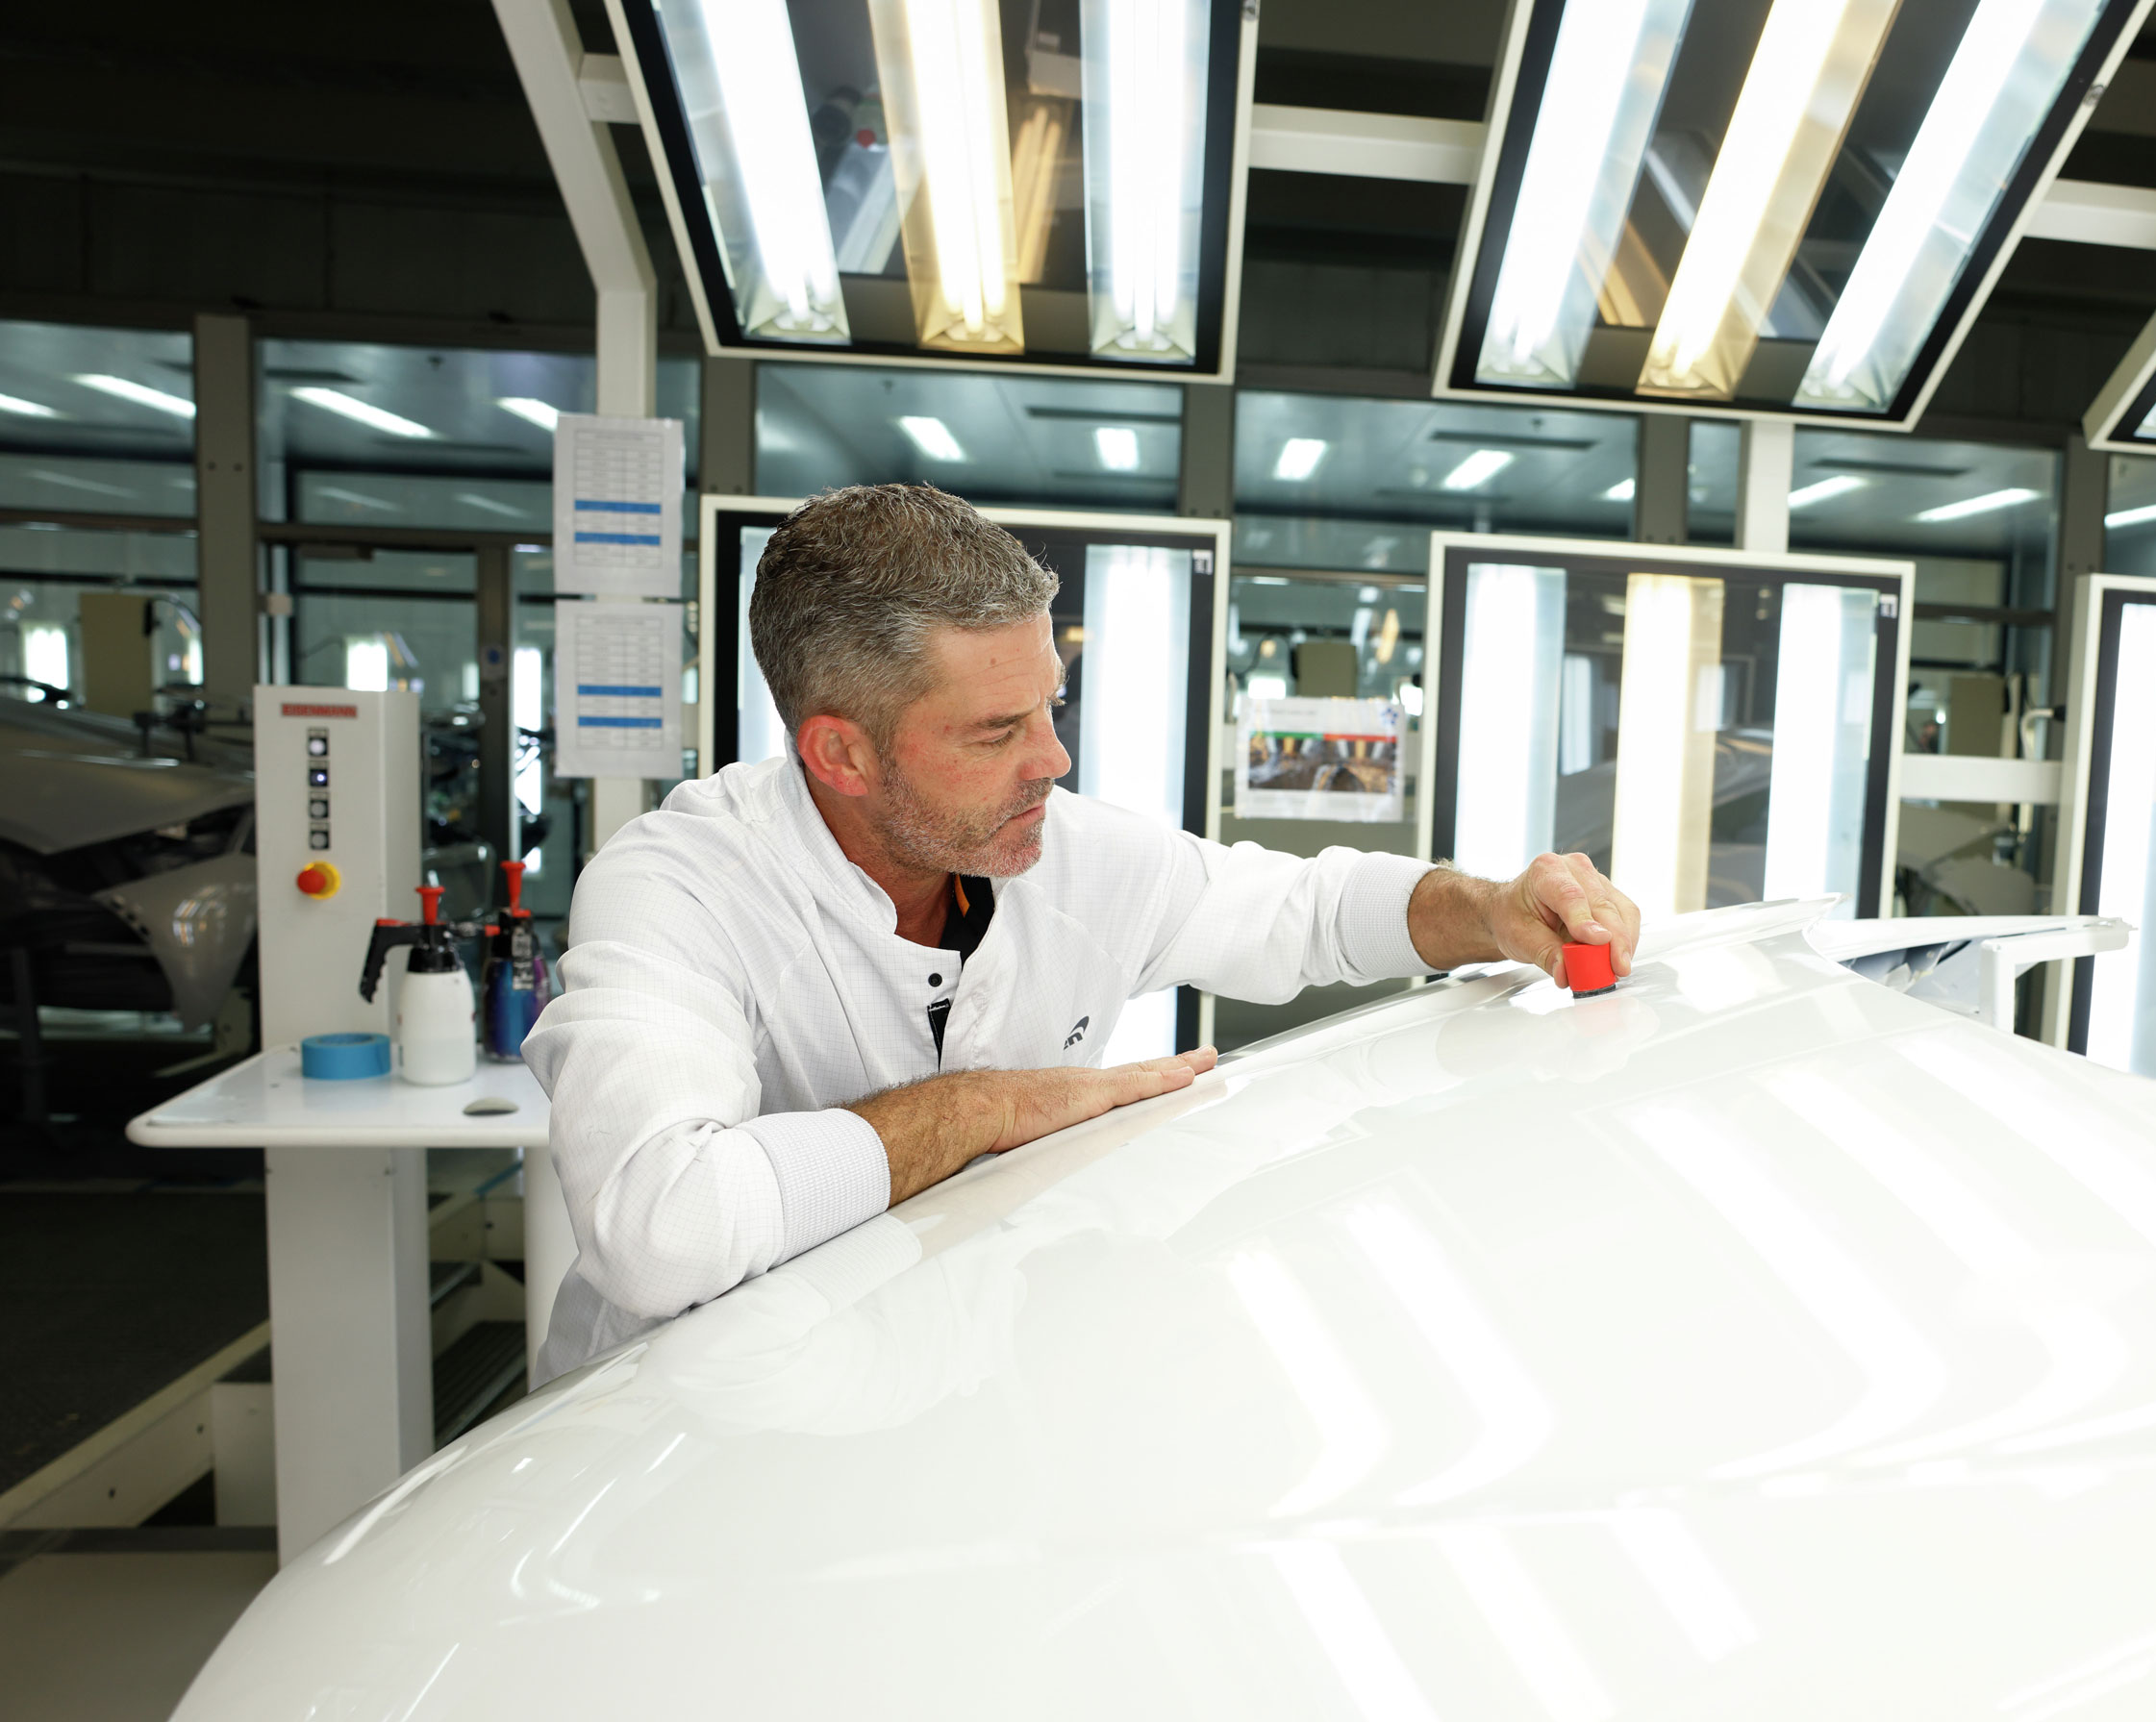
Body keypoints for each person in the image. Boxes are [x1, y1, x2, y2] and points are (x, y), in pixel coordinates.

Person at [524, 484, 1642, 1377]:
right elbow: (660, 1226)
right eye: (997, 730)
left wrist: (1490, 908)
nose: (1051, 760)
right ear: (841, 754)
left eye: (1049, 705)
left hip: (945, 1417)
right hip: (678, 1450)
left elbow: (1308, 914)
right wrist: (989, 1108)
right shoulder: (680, 886)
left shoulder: (1072, 851)